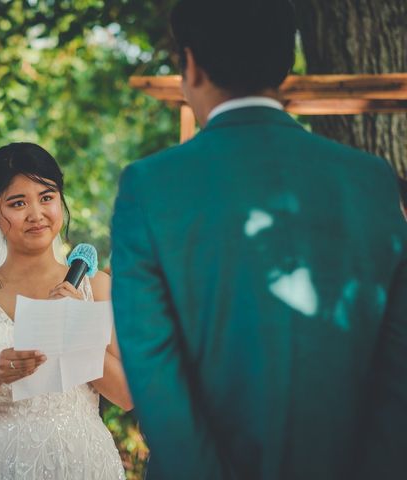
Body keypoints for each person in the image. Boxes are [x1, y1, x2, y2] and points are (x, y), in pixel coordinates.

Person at [110, 1, 407, 479]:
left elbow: (153, 369)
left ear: (190, 64)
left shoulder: (151, 186)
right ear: (284, 61)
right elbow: (399, 370)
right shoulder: (370, 181)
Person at [0, 142, 131, 479]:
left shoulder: (95, 286)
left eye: (47, 197)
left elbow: (127, 396)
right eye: (17, 203)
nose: (36, 214)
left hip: (81, 460)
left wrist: (76, 329)